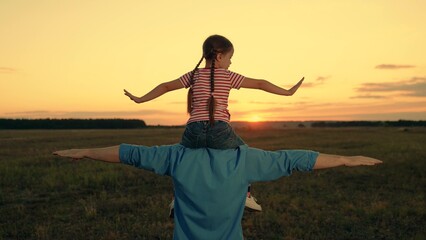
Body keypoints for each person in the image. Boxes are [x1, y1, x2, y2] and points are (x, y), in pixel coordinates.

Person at [124, 35, 304, 212]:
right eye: (230, 58)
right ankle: (246, 196)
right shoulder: (228, 76)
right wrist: (287, 92)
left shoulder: (193, 75)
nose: (231, 63)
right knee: (242, 154)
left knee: (181, 159)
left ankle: (177, 199)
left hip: (193, 130)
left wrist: (141, 99)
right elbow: (260, 83)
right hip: (219, 129)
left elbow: (165, 86)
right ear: (219, 56)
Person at [53, 144, 382, 239]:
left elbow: (129, 153)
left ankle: (191, 196)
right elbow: (295, 160)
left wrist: (84, 150)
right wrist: (345, 159)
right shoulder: (244, 157)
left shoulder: (175, 155)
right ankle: (243, 194)